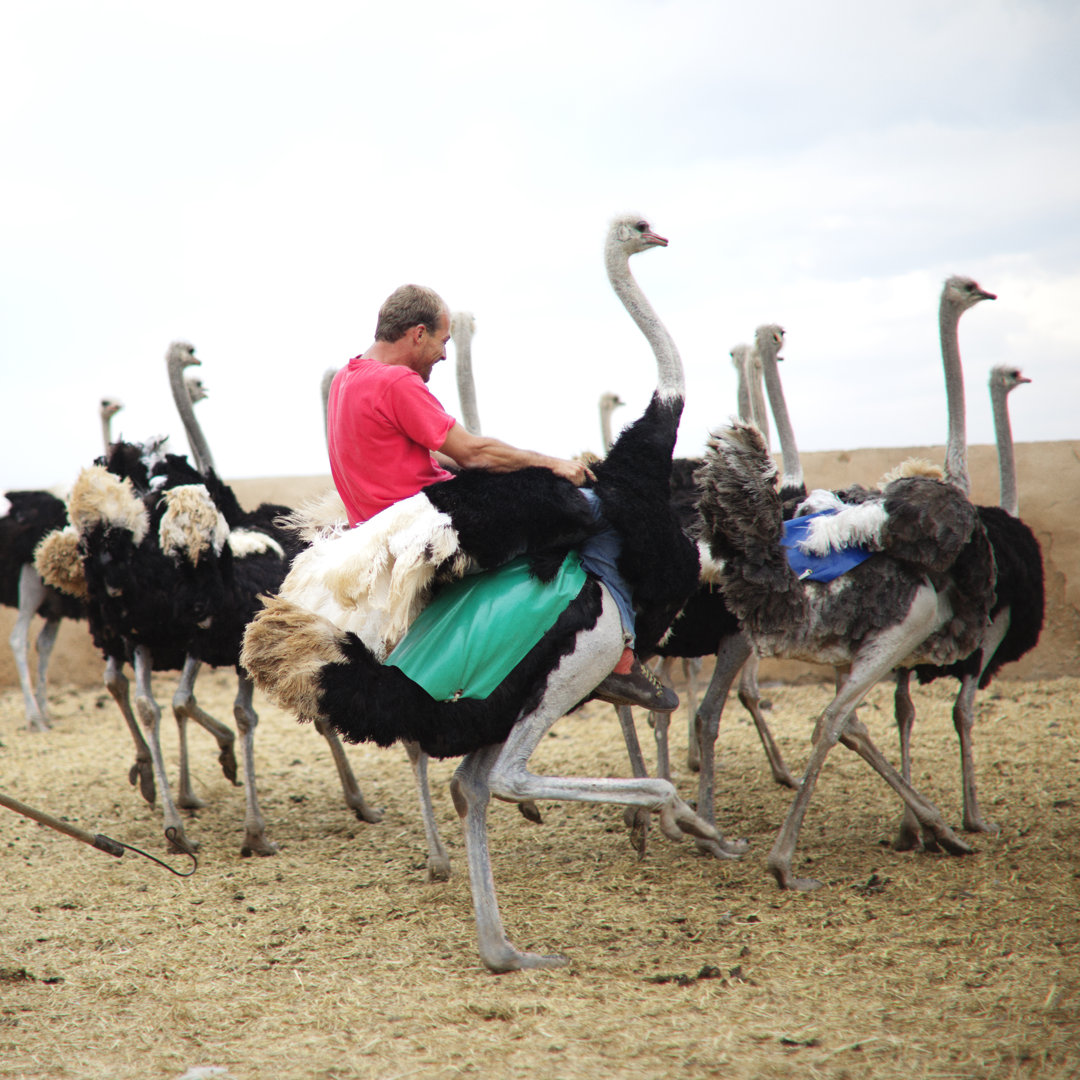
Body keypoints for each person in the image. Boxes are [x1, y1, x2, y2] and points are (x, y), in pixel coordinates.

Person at [326, 283, 677, 712]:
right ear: (418, 333)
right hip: (430, 522)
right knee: (602, 510)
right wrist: (553, 464)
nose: (442, 354)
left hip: (381, 526)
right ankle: (621, 659)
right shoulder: (396, 381)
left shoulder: (348, 377)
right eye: (442, 340)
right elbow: (471, 452)